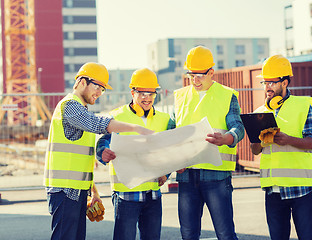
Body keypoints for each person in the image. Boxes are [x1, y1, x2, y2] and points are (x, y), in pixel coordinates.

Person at [44, 62, 153, 240]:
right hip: (64, 191)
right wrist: (136, 128)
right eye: (97, 87)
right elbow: (98, 123)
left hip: (76, 191)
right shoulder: (70, 106)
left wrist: (93, 192)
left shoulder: (81, 109)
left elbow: (81, 161)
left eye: (103, 90)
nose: (99, 93)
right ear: (81, 82)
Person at [174, 46, 244, 240]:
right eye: (191, 75)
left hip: (216, 176)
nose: (195, 81)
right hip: (186, 177)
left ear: (211, 72)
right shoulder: (180, 97)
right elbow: (172, 134)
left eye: (200, 76)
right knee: (188, 235)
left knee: (225, 234)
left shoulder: (227, 95)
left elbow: (238, 127)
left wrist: (226, 138)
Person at [96, 68, 175, 240]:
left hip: (153, 194)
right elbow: (103, 142)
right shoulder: (116, 116)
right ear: (133, 92)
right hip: (126, 194)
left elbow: (171, 150)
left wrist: (166, 173)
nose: (147, 98)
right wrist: (103, 153)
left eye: (151, 93)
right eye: (142, 93)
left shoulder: (165, 120)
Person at [250, 55, 312, 240]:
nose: (267, 87)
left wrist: (288, 139)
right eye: (265, 82)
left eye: (272, 82)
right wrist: (261, 141)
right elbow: (255, 150)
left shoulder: (304, 105)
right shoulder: (259, 113)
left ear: (285, 82)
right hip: (273, 192)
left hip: (302, 190)